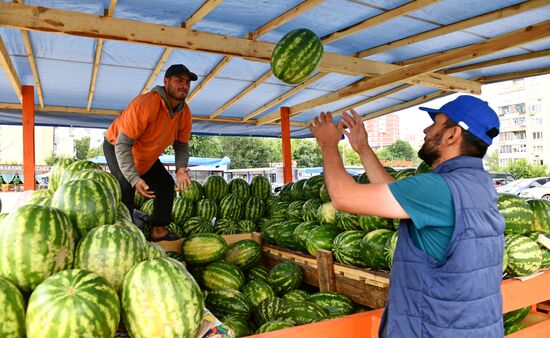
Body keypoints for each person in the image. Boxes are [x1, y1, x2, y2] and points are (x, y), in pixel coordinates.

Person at [309, 95, 505, 338]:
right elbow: (398, 196)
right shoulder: (479, 184)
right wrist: (362, 148)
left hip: (435, 329)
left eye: (436, 123)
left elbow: (343, 197)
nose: (426, 129)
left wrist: (328, 144)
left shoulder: (439, 188)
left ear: (452, 134)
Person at [103, 64, 197, 241]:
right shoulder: (145, 104)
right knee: (125, 187)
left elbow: (182, 145)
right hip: (117, 146)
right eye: (179, 80)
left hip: (146, 153)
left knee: (165, 185)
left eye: (187, 82)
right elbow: (123, 145)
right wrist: (134, 178)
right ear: (166, 81)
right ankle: (127, 237)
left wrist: (181, 168)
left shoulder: (184, 112)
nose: (184, 85)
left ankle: (158, 230)